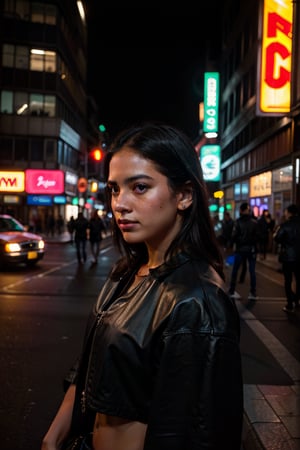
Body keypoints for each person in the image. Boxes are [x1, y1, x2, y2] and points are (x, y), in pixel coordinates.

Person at [41, 123, 243, 450]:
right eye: (114, 189)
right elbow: (92, 364)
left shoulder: (198, 303)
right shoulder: (126, 272)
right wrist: (54, 434)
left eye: (139, 187)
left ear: (185, 196)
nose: (119, 203)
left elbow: (200, 433)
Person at [228, 202, 260, 300]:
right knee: (252, 271)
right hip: (251, 250)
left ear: (241, 211)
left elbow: (233, 236)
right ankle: (253, 293)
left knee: (235, 270)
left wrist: (229, 245)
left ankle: (232, 291)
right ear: (248, 210)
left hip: (240, 249)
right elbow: (257, 237)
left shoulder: (237, 222)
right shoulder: (254, 222)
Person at [273, 203, 300, 312]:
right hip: (299, 257)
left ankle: (290, 304)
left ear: (289, 212)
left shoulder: (285, 225)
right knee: (299, 280)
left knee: (288, 281)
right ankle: (297, 300)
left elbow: (277, 238)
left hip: (288, 257)